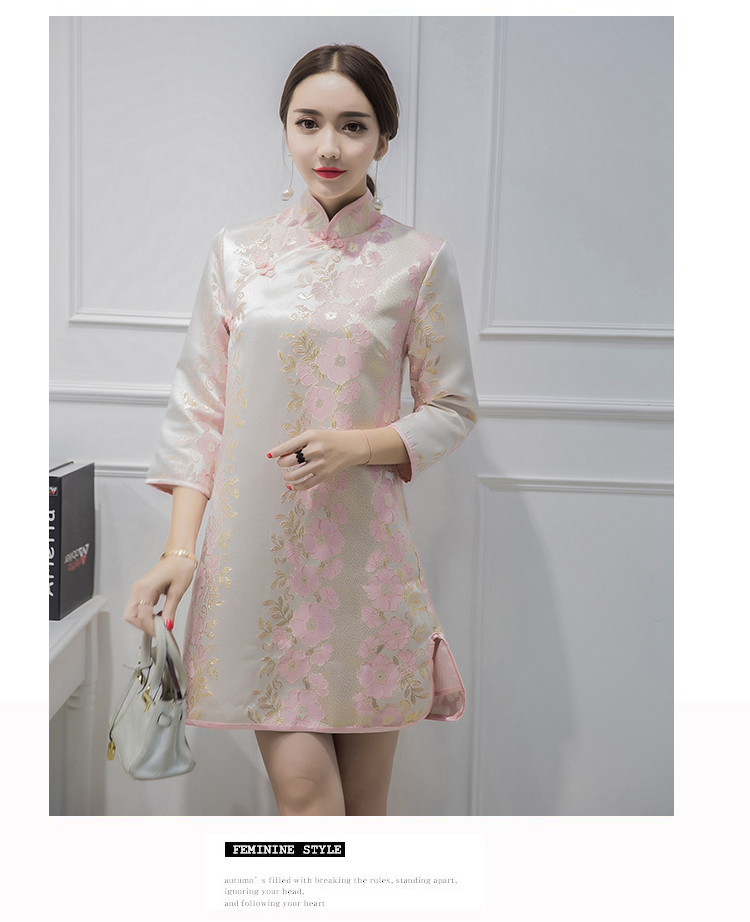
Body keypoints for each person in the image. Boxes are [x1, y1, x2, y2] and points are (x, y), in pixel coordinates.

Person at [123, 43, 478, 816]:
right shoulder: (238, 255)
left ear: (384, 138)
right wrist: (180, 551)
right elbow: (199, 411)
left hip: (367, 569)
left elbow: (452, 409)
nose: (328, 146)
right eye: (308, 122)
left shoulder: (418, 262)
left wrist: (358, 445)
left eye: (353, 126)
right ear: (284, 127)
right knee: (309, 803)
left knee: (364, 815)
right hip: (255, 567)